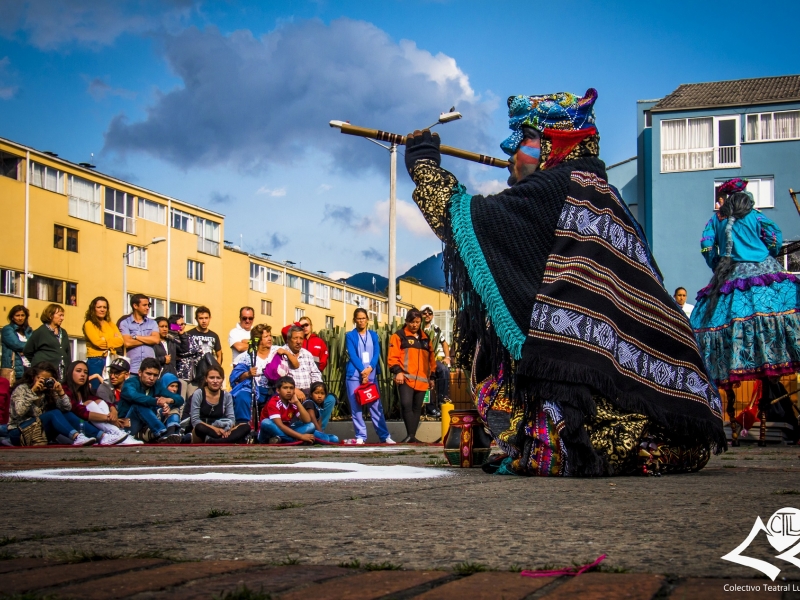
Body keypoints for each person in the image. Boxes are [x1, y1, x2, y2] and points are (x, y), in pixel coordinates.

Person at [403, 88, 724, 476]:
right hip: (671, 399)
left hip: (588, 391)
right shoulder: (607, 194)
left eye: (521, 143)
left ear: (550, 144)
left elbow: (465, 219)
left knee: (529, 418)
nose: (510, 156)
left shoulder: (558, 186)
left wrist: (424, 164)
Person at [691, 178, 800, 447]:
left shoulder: (715, 220)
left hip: (731, 278)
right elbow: (774, 237)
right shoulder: (756, 215)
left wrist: (718, 264)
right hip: (767, 276)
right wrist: (768, 254)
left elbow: (706, 246)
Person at [7, 362, 95, 446]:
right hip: (19, 433)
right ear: (33, 377)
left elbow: (67, 409)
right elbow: (19, 412)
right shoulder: (22, 389)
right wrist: (32, 392)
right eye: (40, 379)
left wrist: (61, 393)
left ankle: (101, 436)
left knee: (66, 414)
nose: (43, 382)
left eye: (47, 379)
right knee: (54, 413)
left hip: (39, 433)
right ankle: (76, 437)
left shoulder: (49, 391)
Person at [229, 324, 299, 426]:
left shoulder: (278, 350)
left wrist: (287, 353)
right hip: (254, 389)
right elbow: (236, 376)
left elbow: (296, 365)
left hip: (276, 390)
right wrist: (248, 374)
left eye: (270, 336)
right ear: (258, 340)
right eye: (266, 337)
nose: (270, 338)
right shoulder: (248, 355)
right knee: (242, 397)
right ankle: (243, 427)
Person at [344, 307, 393, 444]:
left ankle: (384, 436)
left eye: (363, 318)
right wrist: (362, 370)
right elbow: (352, 354)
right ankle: (361, 436)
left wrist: (370, 368)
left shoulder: (373, 335)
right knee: (356, 407)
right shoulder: (350, 336)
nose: (361, 321)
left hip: (371, 375)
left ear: (367, 319)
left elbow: (376, 353)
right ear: (354, 320)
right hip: (354, 375)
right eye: (358, 318)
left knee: (376, 406)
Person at [388, 309, 436, 443]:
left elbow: (432, 361)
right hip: (405, 378)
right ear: (406, 321)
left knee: (417, 408)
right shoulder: (398, 336)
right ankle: (410, 435)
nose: (414, 325)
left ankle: (412, 436)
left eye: (417, 322)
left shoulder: (426, 339)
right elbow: (392, 357)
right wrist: (398, 372)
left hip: (422, 380)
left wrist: (432, 377)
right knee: (405, 404)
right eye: (412, 322)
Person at [62, 360, 131, 445]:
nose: (83, 375)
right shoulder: (63, 389)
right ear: (69, 373)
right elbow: (79, 411)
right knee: (89, 403)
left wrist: (113, 410)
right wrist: (109, 418)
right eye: (78, 371)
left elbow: (103, 401)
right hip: (70, 432)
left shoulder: (83, 391)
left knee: (98, 401)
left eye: (86, 372)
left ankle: (115, 433)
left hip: (87, 429)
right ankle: (114, 432)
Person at [118, 357, 183, 443]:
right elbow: (133, 396)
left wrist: (168, 400)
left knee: (173, 405)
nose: (152, 378)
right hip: (128, 425)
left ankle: (172, 433)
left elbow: (180, 399)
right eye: (148, 374)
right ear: (140, 373)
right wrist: (156, 402)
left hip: (147, 426)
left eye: (155, 375)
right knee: (139, 405)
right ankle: (163, 433)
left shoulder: (156, 385)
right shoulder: (130, 383)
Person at [189, 365, 251, 443]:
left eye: (218, 378)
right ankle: (223, 441)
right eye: (211, 378)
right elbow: (195, 420)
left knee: (245, 427)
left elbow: (231, 419)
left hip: (222, 429)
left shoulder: (226, 395)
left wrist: (227, 429)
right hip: (205, 429)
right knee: (199, 427)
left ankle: (217, 441)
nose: (215, 381)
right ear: (206, 379)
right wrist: (215, 429)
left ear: (222, 380)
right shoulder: (199, 393)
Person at [177, 306, 222, 402]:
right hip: (193, 375)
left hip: (208, 375)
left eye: (206, 318)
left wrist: (216, 370)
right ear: (196, 319)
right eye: (201, 318)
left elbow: (219, 354)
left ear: (210, 318)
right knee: (191, 401)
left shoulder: (214, 335)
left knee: (207, 401)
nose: (204, 321)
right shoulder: (189, 334)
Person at [82, 296, 124, 392]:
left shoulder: (111, 324)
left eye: (104, 307)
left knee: (110, 389)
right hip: (95, 360)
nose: (102, 310)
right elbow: (97, 343)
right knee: (96, 389)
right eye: (99, 307)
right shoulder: (89, 324)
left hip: (110, 358)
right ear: (93, 309)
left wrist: (105, 339)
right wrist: (113, 340)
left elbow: (120, 341)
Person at [257, 376, 316, 444]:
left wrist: (297, 402)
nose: (288, 391)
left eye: (291, 388)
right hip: (268, 433)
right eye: (285, 388)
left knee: (311, 426)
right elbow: (280, 425)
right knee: (266, 422)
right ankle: (293, 441)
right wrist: (301, 436)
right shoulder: (274, 402)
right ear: (278, 390)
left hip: (284, 432)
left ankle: (281, 440)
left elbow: (307, 420)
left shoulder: (293, 402)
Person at [23, 304, 71, 380]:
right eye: (60, 315)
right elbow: (27, 351)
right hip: (45, 374)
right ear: (50, 315)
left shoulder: (63, 332)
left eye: (63, 315)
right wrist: (39, 364)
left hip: (62, 374)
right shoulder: (40, 332)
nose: (62, 318)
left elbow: (67, 352)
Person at [420, 304, 450, 417]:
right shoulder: (417, 327)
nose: (427, 315)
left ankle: (442, 400)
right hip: (419, 360)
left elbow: (444, 343)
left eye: (430, 313)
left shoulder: (436, 329)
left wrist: (447, 357)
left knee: (443, 370)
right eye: (424, 313)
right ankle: (429, 407)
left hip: (433, 359)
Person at [119, 294, 160, 376]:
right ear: (135, 306)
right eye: (144, 305)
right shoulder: (125, 323)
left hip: (150, 369)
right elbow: (127, 343)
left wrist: (135, 337)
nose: (148, 308)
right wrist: (149, 340)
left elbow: (156, 340)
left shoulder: (152, 323)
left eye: (148, 305)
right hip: (132, 369)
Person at [281, 325, 322, 401]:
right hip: (290, 393)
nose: (298, 342)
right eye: (295, 338)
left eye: (301, 338)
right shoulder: (281, 353)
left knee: (331, 399)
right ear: (288, 339)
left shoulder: (307, 354)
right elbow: (279, 378)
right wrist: (294, 390)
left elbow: (315, 373)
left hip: (309, 391)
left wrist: (316, 389)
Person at [93, 356, 131, 422]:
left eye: (117, 373)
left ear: (126, 375)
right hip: (111, 423)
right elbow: (106, 411)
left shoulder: (132, 388)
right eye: (111, 372)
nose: (112, 376)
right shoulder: (104, 387)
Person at [2, 305, 32, 381]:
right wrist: (30, 349)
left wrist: (24, 351)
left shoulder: (29, 331)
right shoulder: (7, 329)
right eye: (17, 315)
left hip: (29, 367)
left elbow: (36, 345)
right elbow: (16, 345)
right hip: (15, 370)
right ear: (12, 317)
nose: (20, 318)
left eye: (22, 315)